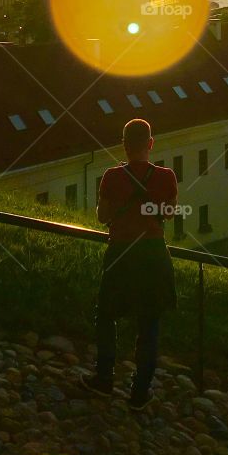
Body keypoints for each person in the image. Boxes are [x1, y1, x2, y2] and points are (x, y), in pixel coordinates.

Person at [82, 118, 178, 410]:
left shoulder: (111, 177)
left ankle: (104, 377)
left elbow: (102, 217)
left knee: (107, 315)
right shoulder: (166, 177)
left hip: (121, 251)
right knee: (149, 323)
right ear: (150, 144)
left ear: (123, 144)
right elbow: (170, 212)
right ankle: (139, 391)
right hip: (153, 252)